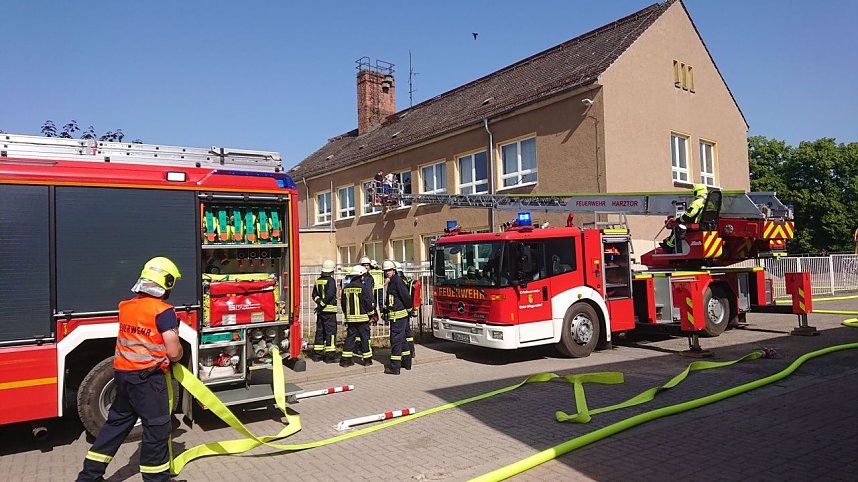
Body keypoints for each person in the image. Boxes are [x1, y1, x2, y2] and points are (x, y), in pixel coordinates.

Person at [77, 257, 184, 482]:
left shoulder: (126, 307)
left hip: (123, 376)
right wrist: (178, 353)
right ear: (167, 283)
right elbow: (173, 352)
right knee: (157, 429)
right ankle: (157, 480)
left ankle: (89, 476)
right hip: (148, 380)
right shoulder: (163, 312)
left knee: (116, 425)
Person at [382, 260, 412, 375]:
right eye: (386, 271)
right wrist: (385, 311)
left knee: (395, 341)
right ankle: (407, 362)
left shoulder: (397, 281)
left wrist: (409, 310)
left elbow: (406, 297)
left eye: (389, 270)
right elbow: (391, 299)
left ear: (394, 270)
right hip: (396, 315)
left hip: (398, 316)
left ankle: (395, 367)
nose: (387, 272)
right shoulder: (392, 281)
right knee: (402, 339)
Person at [340, 265, 374, 367]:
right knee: (364, 338)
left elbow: (343, 303)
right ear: (361, 276)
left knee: (350, 338)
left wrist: (347, 314)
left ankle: (345, 360)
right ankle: (367, 360)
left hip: (350, 319)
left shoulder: (346, 288)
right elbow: (368, 302)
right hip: (362, 318)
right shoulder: (363, 288)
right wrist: (371, 315)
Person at [660, 184, 708, 254]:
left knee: (676, 228)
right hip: (704, 225)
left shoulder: (697, 203)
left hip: (694, 224)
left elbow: (688, 215)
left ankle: (668, 247)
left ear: (698, 192)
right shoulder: (709, 202)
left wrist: (678, 220)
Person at [311, 259, 338, 363]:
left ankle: (317, 355)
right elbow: (330, 295)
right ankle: (330, 356)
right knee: (330, 333)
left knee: (320, 332)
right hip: (329, 312)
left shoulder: (318, 280)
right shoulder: (331, 281)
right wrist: (322, 304)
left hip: (321, 312)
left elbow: (314, 295)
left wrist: (319, 303)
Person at [396, 261, 417, 361]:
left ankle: (407, 353)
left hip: (402, 311)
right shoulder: (406, 280)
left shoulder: (399, 282)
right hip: (406, 310)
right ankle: (411, 351)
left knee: (405, 332)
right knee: (407, 332)